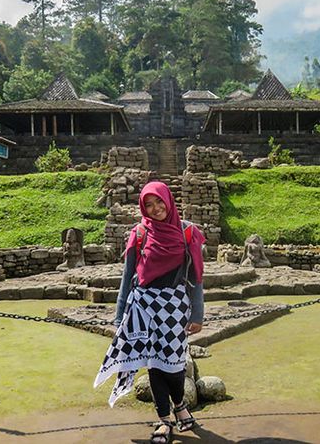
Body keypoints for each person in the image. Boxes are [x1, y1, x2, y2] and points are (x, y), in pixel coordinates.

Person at [94, 181, 205, 444]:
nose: (155, 209)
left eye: (159, 202)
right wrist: (120, 316)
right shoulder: (140, 233)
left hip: (176, 307)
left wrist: (197, 315)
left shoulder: (189, 232)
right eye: (149, 205)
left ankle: (179, 404)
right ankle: (164, 420)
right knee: (154, 363)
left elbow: (197, 278)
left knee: (175, 364)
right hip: (143, 305)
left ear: (169, 200)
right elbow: (127, 276)